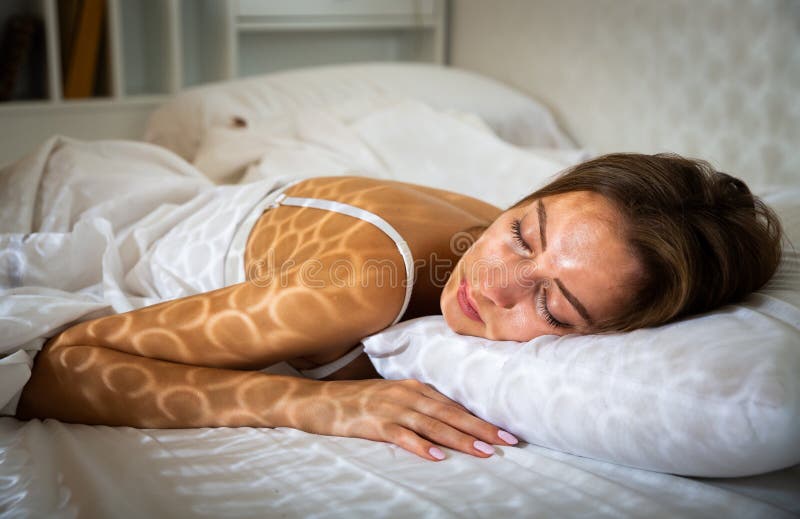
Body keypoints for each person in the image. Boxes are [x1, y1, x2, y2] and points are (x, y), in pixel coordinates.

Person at [14, 152, 783, 462]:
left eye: (552, 303)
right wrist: (310, 406)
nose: (498, 283)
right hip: (104, 201)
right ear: (533, 197)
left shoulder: (506, 242)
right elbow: (59, 365)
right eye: (522, 232)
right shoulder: (364, 281)